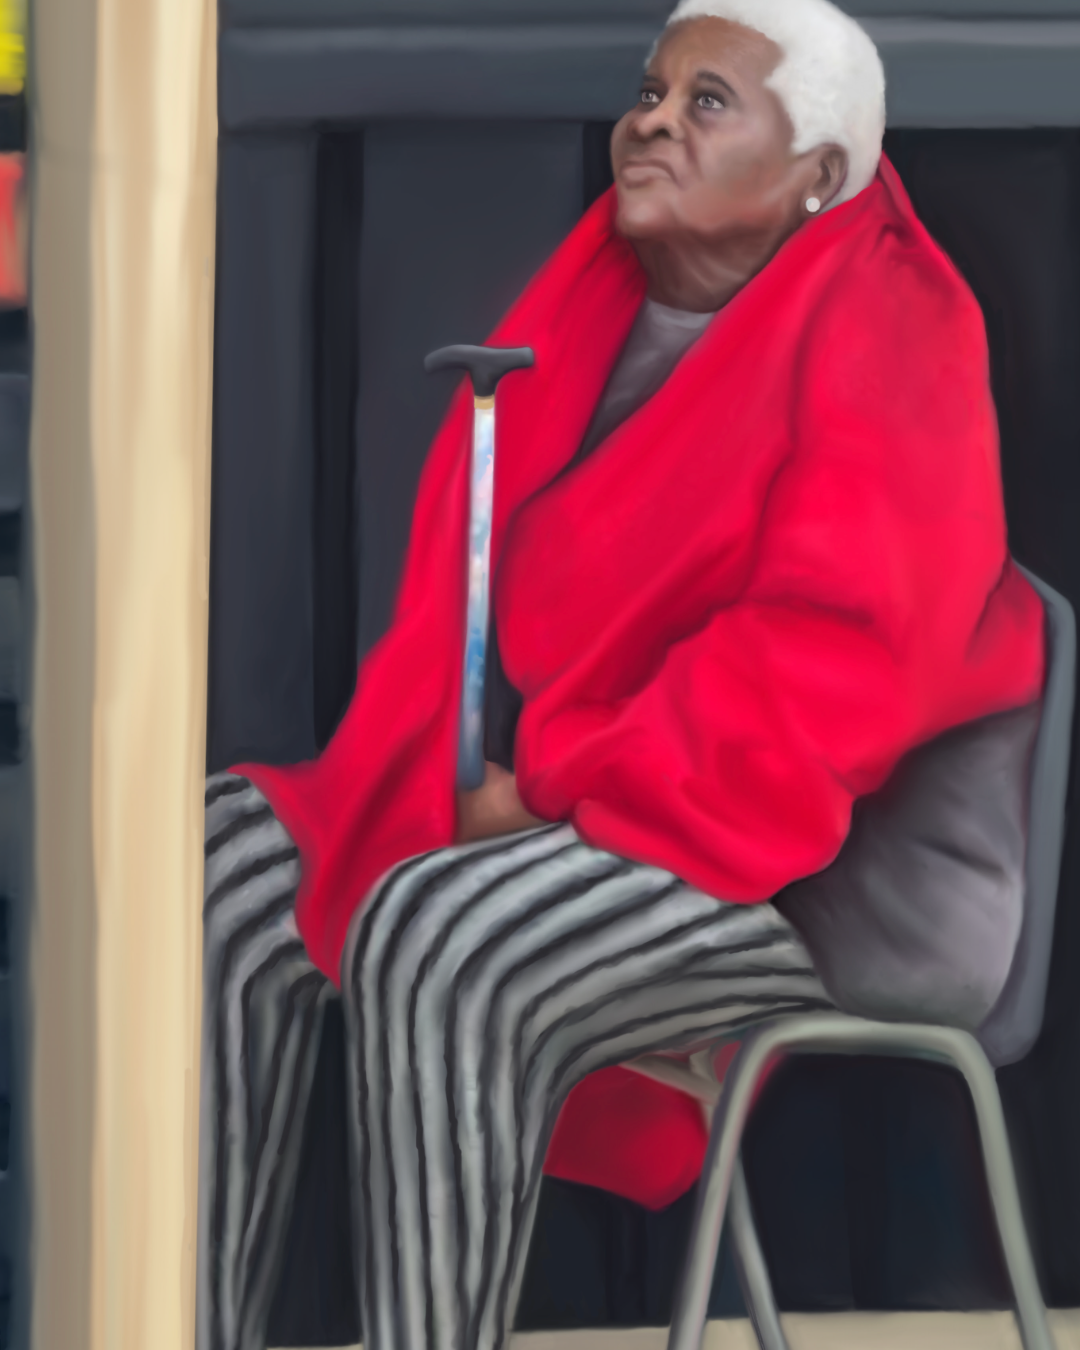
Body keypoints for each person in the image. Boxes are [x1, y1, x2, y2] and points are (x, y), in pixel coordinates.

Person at [196, 2, 1047, 1348]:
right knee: (219, 876)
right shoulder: (597, 299)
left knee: (438, 934)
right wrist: (469, 778)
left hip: (833, 867)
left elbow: (825, 673)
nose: (650, 121)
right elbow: (499, 604)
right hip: (616, 791)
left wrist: (543, 792)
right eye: (651, 92)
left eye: (708, 102)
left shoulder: (895, 321)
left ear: (818, 174)